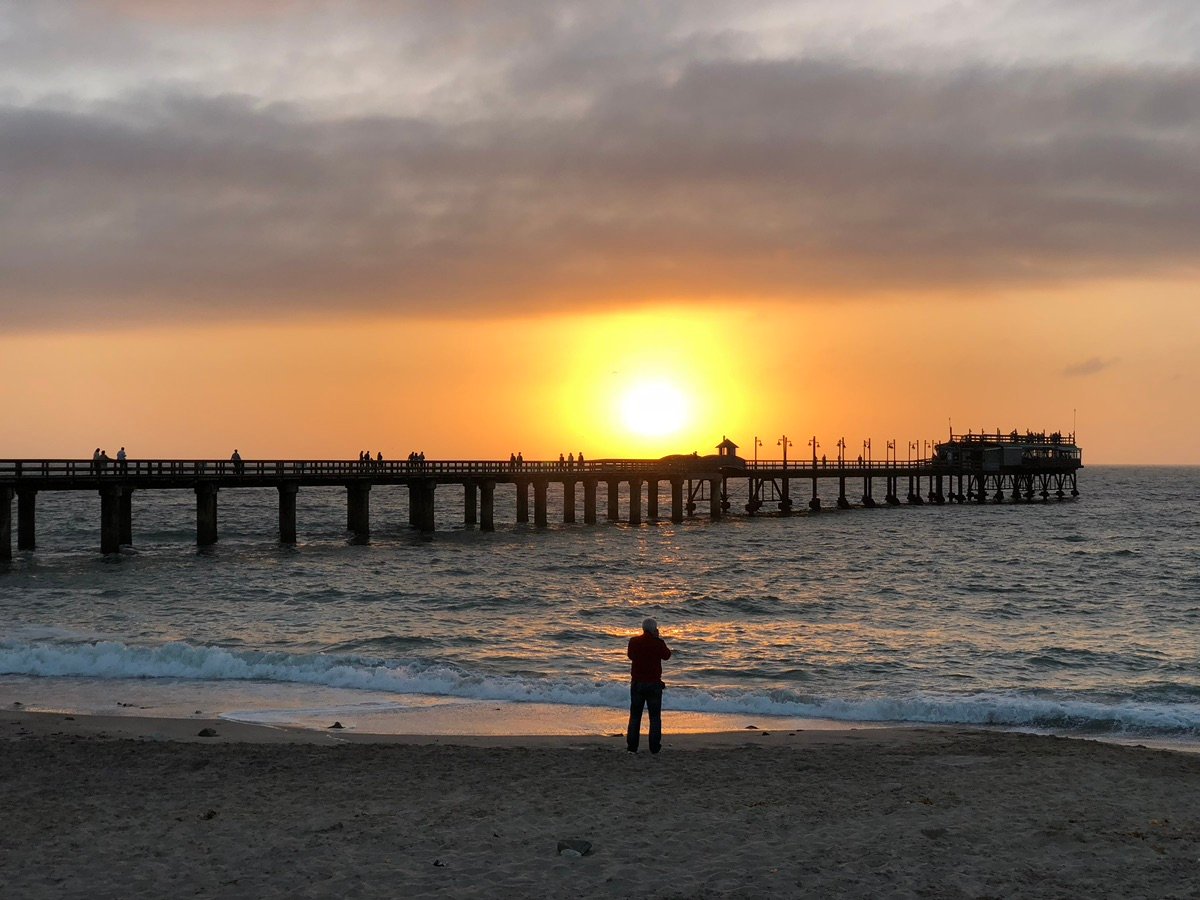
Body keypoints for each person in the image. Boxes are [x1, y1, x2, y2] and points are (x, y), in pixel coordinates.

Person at [626, 617, 672, 754]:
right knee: (655, 717)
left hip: (637, 683)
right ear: (654, 630)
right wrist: (657, 639)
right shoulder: (658, 643)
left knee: (635, 716)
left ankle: (632, 747)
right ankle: (654, 747)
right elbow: (667, 655)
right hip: (654, 684)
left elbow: (630, 656)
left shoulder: (634, 642)